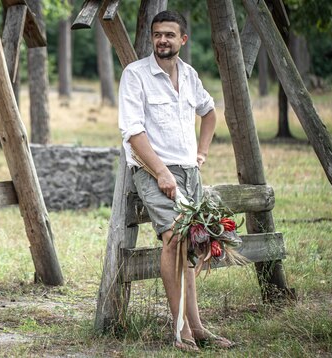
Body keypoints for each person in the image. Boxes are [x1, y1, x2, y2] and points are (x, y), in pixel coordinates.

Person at [118, 10, 235, 352]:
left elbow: (210, 112)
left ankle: (197, 327)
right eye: (157, 35)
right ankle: (179, 329)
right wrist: (161, 172)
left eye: (170, 35)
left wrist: (201, 154)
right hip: (153, 169)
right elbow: (133, 133)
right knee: (173, 239)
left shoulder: (189, 74)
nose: (162, 40)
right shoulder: (136, 75)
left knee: (193, 247)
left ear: (183, 39)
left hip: (188, 170)